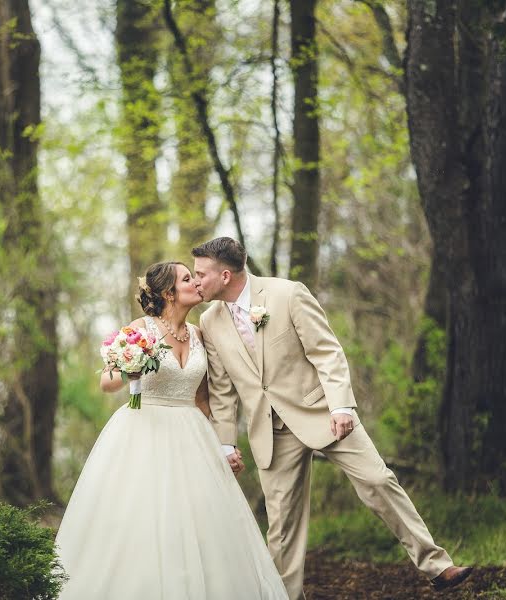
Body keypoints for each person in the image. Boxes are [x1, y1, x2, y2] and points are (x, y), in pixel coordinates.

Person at [193, 237, 473, 600]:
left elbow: (326, 351)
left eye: (200, 274)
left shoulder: (287, 294)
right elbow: (222, 389)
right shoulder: (210, 321)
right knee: (281, 530)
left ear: (225, 274)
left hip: (323, 414)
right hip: (270, 432)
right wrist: (226, 442)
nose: (195, 281)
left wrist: (342, 406)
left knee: (378, 480)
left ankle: (436, 565)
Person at [55, 261, 288, 600]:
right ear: (168, 293)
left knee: (202, 524)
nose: (196, 282)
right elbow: (106, 382)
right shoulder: (140, 328)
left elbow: (204, 399)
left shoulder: (199, 334)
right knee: (143, 519)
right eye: (187, 279)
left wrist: (224, 446)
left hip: (192, 435)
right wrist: (132, 368)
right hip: (142, 432)